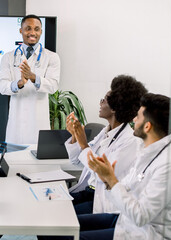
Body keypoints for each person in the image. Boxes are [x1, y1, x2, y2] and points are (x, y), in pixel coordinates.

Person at [79, 93, 171, 239]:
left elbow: (141, 216)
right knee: (65, 226)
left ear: (147, 126)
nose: (133, 119)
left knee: (66, 235)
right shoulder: (147, 149)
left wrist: (111, 180)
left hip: (143, 234)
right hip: (125, 220)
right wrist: (107, 180)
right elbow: (126, 187)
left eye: (138, 117)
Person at [65, 75, 147, 214]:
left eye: (104, 100)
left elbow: (103, 176)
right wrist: (75, 137)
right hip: (88, 192)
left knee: (58, 219)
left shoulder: (130, 142)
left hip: (101, 199)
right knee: (50, 208)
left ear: (114, 108)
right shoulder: (106, 132)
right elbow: (77, 161)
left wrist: (84, 145)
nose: (100, 103)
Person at [0, 14, 60, 144]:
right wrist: (20, 83)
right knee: (14, 160)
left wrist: (32, 77)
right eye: (28, 28)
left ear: (41, 32)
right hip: (16, 124)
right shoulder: (8, 57)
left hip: (38, 123)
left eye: (37, 29)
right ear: (21, 31)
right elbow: (2, 86)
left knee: (37, 161)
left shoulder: (52, 57)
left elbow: (53, 86)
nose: (32, 33)